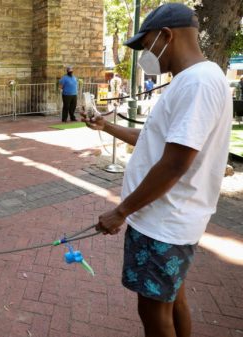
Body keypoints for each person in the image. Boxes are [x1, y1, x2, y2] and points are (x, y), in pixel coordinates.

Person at [81, 3, 231, 337]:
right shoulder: (191, 80)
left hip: (163, 222)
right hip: (165, 219)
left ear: (166, 35)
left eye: (147, 45)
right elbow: (155, 139)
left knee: (153, 311)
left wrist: (121, 211)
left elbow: (176, 163)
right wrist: (105, 127)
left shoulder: (198, 84)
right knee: (172, 299)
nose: (147, 54)